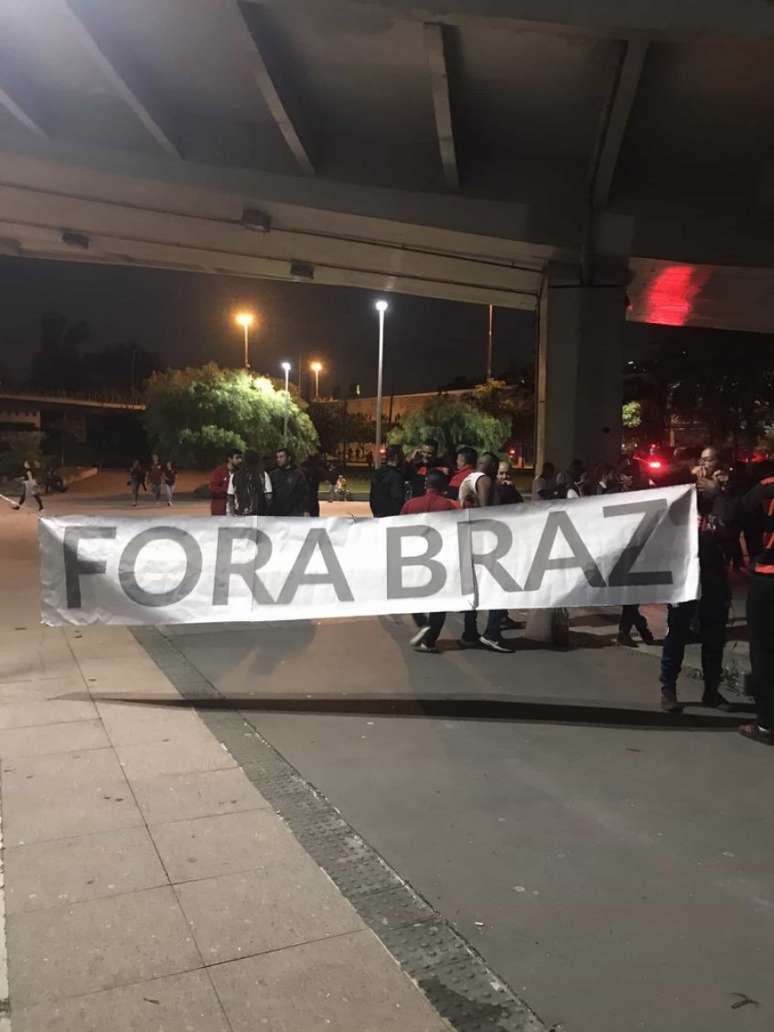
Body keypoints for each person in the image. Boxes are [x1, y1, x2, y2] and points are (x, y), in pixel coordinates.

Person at [659, 458, 736, 712]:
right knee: (676, 635)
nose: (705, 469)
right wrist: (688, 475)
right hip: (684, 580)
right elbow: (662, 476)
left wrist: (720, 493)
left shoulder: (723, 503)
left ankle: (711, 691)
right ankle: (668, 690)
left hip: (714, 581)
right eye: (701, 462)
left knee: (714, 638)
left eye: (711, 462)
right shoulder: (680, 499)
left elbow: (731, 527)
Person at [459, 452, 514, 653]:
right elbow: (485, 512)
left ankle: (469, 633)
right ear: (490, 466)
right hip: (484, 543)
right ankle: (492, 633)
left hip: (468, 540)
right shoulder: (484, 480)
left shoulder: (469, 478)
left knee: (471, 588)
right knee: (500, 586)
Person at [402, 469, 458, 653]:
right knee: (440, 601)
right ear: (443, 487)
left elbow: (398, 528)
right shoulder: (449, 506)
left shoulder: (410, 504)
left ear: (426, 485)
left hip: (413, 557)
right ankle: (430, 640)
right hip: (440, 558)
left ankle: (421, 621)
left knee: (412, 593)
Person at [738, 462, 774, 745]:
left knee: (764, 652)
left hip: (769, 580)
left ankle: (766, 724)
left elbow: (742, 511)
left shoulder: (767, 486)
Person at [615, 460, 656, 647]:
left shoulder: (643, 494)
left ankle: (635, 630)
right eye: (625, 474)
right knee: (630, 596)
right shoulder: (614, 494)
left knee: (632, 596)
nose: (627, 478)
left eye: (630, 474)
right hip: (622, 550)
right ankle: (636, 630)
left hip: (639, 549)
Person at [233, 449, 272, 516]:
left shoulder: (234, 476)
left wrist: (232, 514)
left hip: (240, 514)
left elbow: (230, 497)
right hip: (259, 514)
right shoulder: (263, 475)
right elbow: (268, 497)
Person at [270, 448, 308, 516]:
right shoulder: (273, 474)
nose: (278, 459)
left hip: (294, 514)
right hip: (276, 514)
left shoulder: (298, 474)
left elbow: (304, 494)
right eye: (277, 457)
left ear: (289, 458)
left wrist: (305, 510)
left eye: (281, 457)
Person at [370, 445, 405, 517]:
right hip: (391, 518)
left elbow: (372, 497)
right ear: (396, 457)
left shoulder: (377, 473)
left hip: (377, 514)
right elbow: (397, 499)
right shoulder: (396, 476)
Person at [209, 450, 242, 516]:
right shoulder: (219, 471)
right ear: (229, 459)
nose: (240, 460)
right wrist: (229, 490)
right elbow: (213, 489)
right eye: (237, 458)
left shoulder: (240, 472)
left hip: (236, 510)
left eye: (241, 458)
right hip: (221, 509)